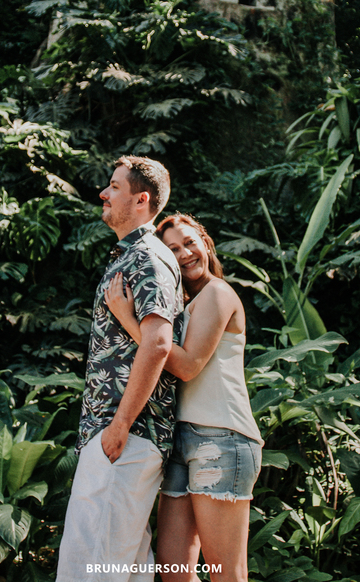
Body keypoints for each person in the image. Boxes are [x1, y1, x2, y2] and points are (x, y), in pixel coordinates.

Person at [104, 213, 262, 582]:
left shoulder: (218, 293)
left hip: (221, 437)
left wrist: (128, 318)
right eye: (173, 249)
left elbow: (188, 366)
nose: (185, 253)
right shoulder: (184, 306)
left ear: (205, 243)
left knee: (227, 574)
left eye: (190, 242)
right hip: (180, 441)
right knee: (174, 570)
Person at [56, 156, 184, 582]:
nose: (103, 193)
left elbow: (159, 343)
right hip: (118, 435)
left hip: (124, 435)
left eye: (113, 186)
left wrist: (119, 426)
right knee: (124, 571)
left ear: (141, 199)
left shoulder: (147, 256)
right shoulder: (129, 256)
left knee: (91, 567)